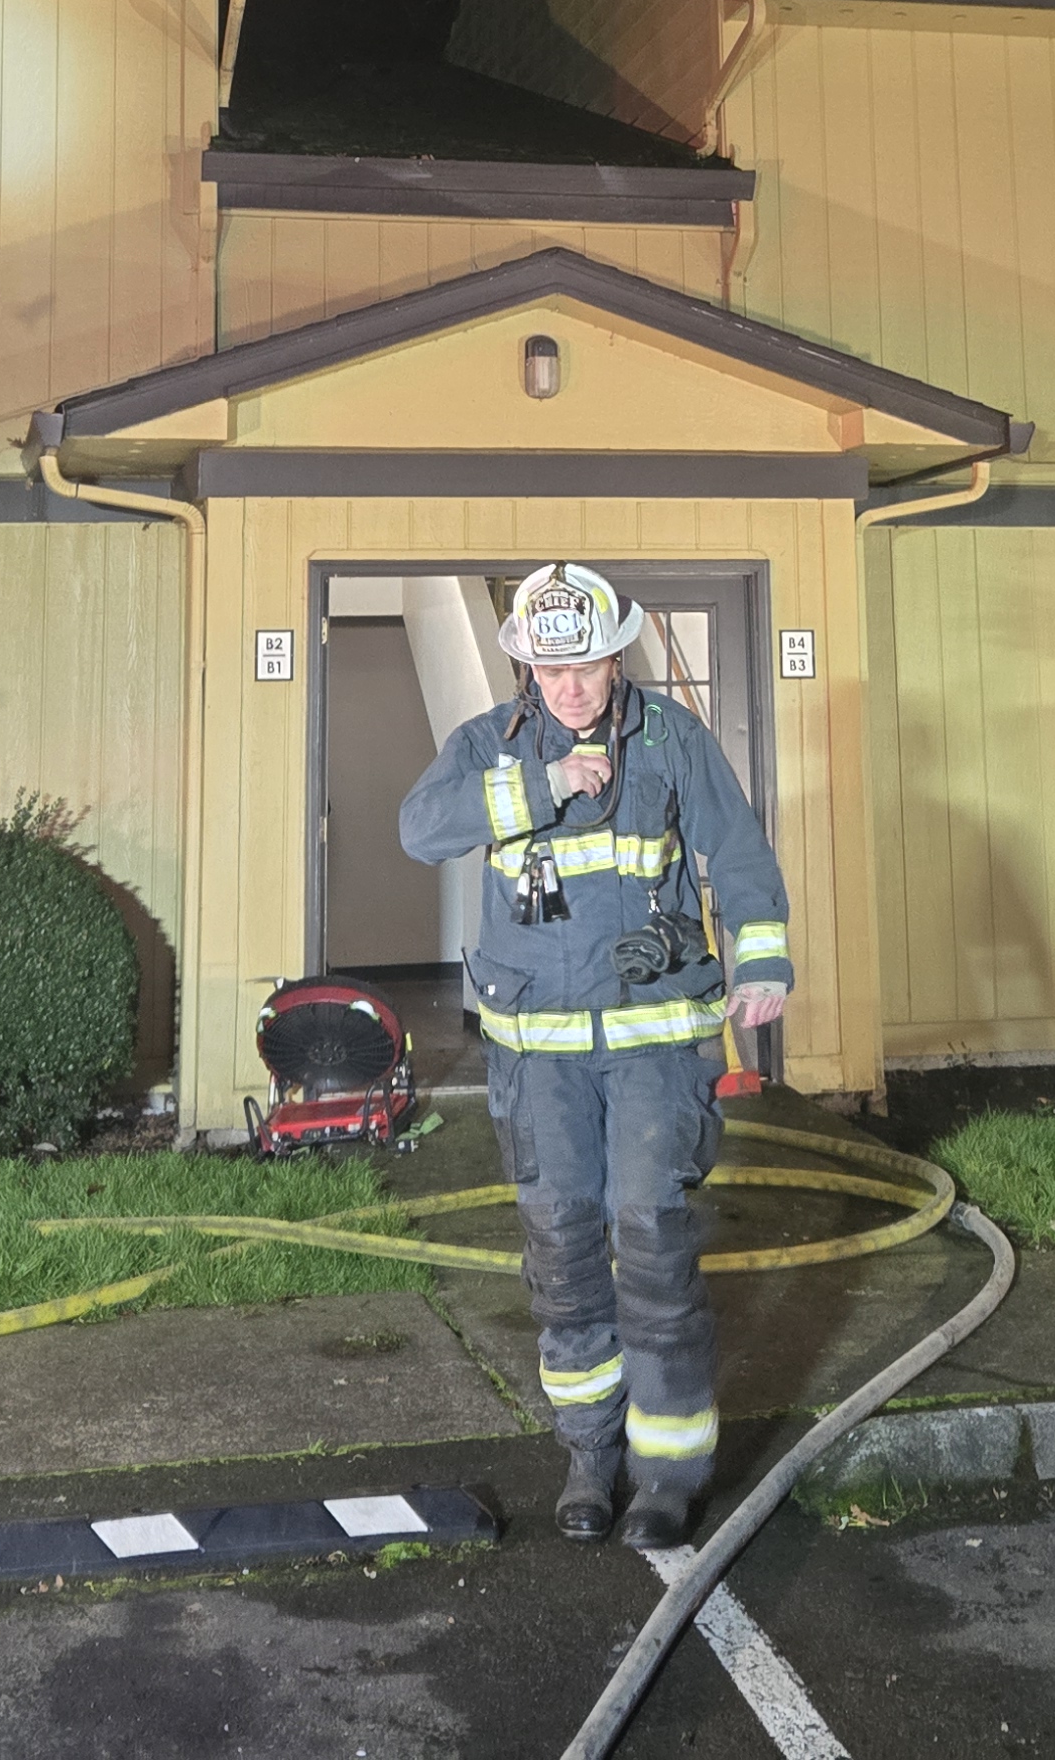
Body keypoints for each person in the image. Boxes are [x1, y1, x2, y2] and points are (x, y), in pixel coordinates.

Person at [400, 560, 792, 1549]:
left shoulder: (671, 737)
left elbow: (737, 848)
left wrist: (761, 958)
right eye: (550, 670)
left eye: (586, 668)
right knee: (565, 1252)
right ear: (525, 668)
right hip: (540, 1062)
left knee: (652, 1242)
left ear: (617, 658)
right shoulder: (488, 746)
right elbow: (421, 829)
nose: (569, 688)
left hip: (656, 1044)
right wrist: (541, 786)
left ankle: (666, 1476)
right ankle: (589, 1457)